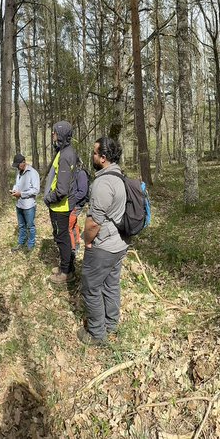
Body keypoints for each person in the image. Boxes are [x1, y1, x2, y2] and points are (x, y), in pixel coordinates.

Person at [79, 137, 129, 346]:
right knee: (111, 285)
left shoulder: (102, 183)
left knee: (91, 287)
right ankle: (112, 323)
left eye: (94, 153)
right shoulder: (120, 176)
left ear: (103, 157)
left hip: (104, 247)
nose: (92, 156)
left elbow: (93, 224)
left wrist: (87, 241)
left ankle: (97, 334)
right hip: (120, 244)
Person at [43, 121, 83, 284]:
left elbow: (62, 189)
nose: (52, 135)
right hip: (60, 205)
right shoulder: (65, 151)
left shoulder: (66, 155)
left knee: (62, 238)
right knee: (62, 236)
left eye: (54, 133)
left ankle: (66, 272)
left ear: (60, 135)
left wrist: (48, 198)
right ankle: (66, 266)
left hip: (61, 206)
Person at [10, 153, 39, 252]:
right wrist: (14, 190)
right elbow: (17, 184)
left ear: (23, 162)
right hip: (19, 204)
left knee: (30, 226)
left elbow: (35, 190)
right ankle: (21, 243)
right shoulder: (19, 172)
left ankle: (31, 245)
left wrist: (21, 194)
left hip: (29, 205)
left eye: (18, 165)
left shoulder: (33, 173)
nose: (17, 167)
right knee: (21, 226)